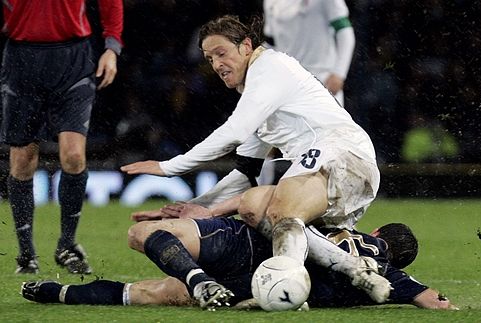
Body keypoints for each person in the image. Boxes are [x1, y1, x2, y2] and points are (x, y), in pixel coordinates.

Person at [121, 15, 389, 304]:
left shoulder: (270, 67)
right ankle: (355, 270)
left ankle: (285, 291)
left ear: (246, 46)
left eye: (221, 53)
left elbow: (235, 132)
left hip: (342, 152)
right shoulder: (262, 94)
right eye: (210, 59)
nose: (217, 65)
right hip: (349, 173)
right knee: (256, 206)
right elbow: (244, 173)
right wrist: (195, 207)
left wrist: (169, 167)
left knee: (282, 210)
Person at [20, 214, 457, 310]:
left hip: (251, 245)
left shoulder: (340, 223)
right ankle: (61, 295)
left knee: (147, 236)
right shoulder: (391, 274)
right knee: (158, 295)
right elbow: (434, 302)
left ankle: (55, 290)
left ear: (377, 233)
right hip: (265, 287)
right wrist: (445, 303)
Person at [0, 0, 123, 274]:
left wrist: (112, 48)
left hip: (73, 58)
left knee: (74, 155)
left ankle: (67, 245)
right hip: (21, 60)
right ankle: (26, 253)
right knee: (22, 161)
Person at [263, 0, 355, 107]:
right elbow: (270, 43)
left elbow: (345, 32)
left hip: (323, 80)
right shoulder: (269, 2)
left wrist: (339, 73)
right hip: (287, 82)